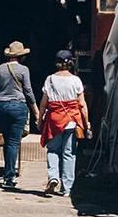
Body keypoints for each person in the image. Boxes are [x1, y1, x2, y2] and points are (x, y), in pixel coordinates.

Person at [38, 49, 90, 197]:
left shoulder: (50, 79)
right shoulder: (76, 80)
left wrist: (40, 119)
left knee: (53, 150)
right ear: (71, 63)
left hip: (54, 120)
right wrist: (87, 123)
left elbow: (43, 103)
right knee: (69, 154)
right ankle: (66, 188)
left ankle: (53, 177)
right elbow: (82, 105)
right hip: (72, 120)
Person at [0, 40, 39, 190]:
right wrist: (36, 110)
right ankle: (9, 177)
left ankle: (8, 172)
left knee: (7, 140)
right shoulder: (24, 70)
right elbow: (28, 91)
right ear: (21, 56)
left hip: (2, 106)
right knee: (13, 142)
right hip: (18, 106)